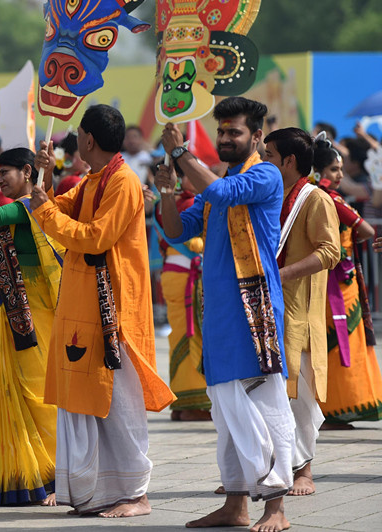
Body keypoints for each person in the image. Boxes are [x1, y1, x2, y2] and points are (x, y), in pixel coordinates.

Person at [157, 96, 295, 531]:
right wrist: (165, 192)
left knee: (264, 405)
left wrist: (181, 153)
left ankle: (276, 509)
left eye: (234, 132)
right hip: (218, 311)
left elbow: (219, 191)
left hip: (252, 312)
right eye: (221, 132)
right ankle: (236, 506)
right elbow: (179, 229)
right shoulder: (218, 182)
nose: (225, 139)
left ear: (256, 136)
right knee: (226, 411)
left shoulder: (265, 175)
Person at [30, 104, 175, 517]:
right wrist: (46, 177)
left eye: (78, 133)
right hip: (84, 302)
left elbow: (94, 237)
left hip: (115, 310)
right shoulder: (97, 178)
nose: (76, 139)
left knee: (122, 402)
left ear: (88, 139)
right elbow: (58, 208)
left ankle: (137, 494)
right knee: (90, 397)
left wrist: (43, 206)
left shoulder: (123, 182)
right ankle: (101, 491)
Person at [0, 149, 63, 505]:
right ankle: (23, 476)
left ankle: (55, 478)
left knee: (39, 395)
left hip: (37, 315)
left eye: (5, 172)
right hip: (7, 316)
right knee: (9, 391)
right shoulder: (8, 220)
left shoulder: (28, 207)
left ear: (28, 172)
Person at [264, 127, 341, 496]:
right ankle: (269, 467)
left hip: (299, 310)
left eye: (269, 156)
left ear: (289, 161)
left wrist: (284, 274)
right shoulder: (273, 195)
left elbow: (330, 251)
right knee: (269, 391)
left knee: (301, 395)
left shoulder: (315, 199)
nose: (264, 162)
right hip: (271, 307)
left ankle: (304, 470)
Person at [312, 136, 382, 429]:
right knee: (339, 344)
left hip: (329, 280)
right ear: (316, 173)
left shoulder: (307, 196)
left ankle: (331, 409)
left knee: (337, 344)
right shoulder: (329, 198)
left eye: (340, 169)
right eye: (332, 170)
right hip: (337, 283)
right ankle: (335, 409)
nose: (339, 176)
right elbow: (365, 229)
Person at [153, 162, 210, 421]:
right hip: (189, 276)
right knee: (193, 335)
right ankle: (194, 404)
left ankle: (182, 403)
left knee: (181, 335)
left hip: (173, 274)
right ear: (179, 178)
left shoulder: (162, 204)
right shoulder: (189, 204)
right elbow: (195, 242)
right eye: (192, 173)